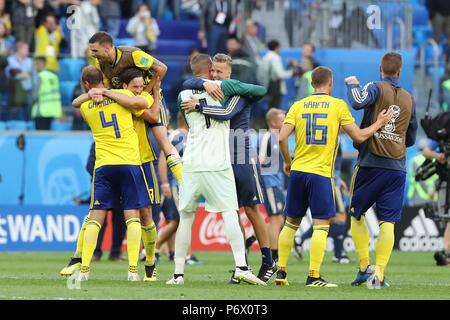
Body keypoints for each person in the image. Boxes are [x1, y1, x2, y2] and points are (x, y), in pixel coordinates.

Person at [275, 66, 394, 287]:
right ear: (330, 84)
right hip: (320, 174)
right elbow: (358, 136)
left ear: (312, 84)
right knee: (322, 224)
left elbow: (282, 137)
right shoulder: (338, 105)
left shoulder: (297, 106)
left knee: (290, 223)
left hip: (298, 171)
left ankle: (281, 273)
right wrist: (379, 123)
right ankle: (313, 276)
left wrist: (287, 161)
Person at [166, 53, 266, 286]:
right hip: (217, 163)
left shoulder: (184, 94)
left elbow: (188, 101)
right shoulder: (225, 89)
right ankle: (241, 266)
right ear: (210, 69)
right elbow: (250, 96)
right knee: (230, 212)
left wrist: (200, 86)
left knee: (186, 218)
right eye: (214, 70)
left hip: (191, 163)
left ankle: (178, 275)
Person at [68, 66, 158, 282]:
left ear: (86, 84)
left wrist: (91, 94)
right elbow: (145, 104)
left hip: (104, 166)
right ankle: (133, 271)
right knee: (132, 216)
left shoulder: (87, 105)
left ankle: (85, 269)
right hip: (129, 163)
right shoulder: (126, 97)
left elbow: (74, 103)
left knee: (95, 216)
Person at [345, 51, 418, 288]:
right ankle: (380, 274)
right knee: (388, 222)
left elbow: (357, 101)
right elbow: (411, 138)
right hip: (397, 168)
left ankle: (365, 267)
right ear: (399, 71)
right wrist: (393, 138)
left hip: (370, 164)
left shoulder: (375, 87)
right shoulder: (409, 98)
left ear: (380, 68)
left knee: (357, 214)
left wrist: (353, 84)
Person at [86, 31, 183, 186]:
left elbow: (162, 69)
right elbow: (110, 87)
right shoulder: (101, 64)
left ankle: (183, 181)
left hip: (149, 99)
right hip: (129, 105)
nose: (92, 54)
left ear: (108, 48)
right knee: (135, 149)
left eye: (95, 50)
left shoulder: (132, 55)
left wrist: (145, 93)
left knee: (163, 142)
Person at [292, 134, 353, 264]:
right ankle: (338, 254)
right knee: (340, 216)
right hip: (331, 181)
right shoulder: (333, 135)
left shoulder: (331, 135)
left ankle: (300, 240)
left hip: (330, 178)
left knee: (330, 218)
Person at [258, 108, 287, 264]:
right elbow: (259, 159)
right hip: (269, 183)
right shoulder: (267, 137)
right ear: (274, 122)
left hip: (277, 184)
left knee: (279, 219)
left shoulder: (279, 138)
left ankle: (272, 252)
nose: (285, 122)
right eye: (283, 120)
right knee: (276, 219)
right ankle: (274, 257)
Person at [422, 138, 450, 266]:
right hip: (445, 182)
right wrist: (439, 155)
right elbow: (426, 151)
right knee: (447, 219)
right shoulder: (443, 132)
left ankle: (445, 251)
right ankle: (446, 252)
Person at [260, 40, 294, 109]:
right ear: (277, 47)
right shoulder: (275, 57)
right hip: (275, 86)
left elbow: (260, 74)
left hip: (267, 85)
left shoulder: (265, 57)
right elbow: (280, 74)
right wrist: (291, 72)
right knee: (275, 108)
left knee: (270, 107)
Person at [31, 56, 62, 130]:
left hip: (41, 111)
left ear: (43, 64)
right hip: (52, 110)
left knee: (40, 136)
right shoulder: (54, 76)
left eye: (37, 64)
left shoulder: (40, 76)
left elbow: (34, 96)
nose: (36, 66)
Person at [5, 42, 34, 121]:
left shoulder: (30, 61)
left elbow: (34, 74)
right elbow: (8, 73)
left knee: (28, 109)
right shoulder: (10, 60)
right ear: (19, 50)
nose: (28, 51)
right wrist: (20, 76)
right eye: (26, 49)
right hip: (14, 90)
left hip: (28, 89)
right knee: (15, 111)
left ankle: (28, 126)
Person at [407, 138, 439, 207]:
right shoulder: (435, 159)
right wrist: (433, 191)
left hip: (418, 196)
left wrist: (429, 192)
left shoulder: (415, 160)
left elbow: (420, 178)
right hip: (434, 195)